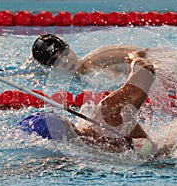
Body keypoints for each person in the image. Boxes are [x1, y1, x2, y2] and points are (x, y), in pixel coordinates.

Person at [20, 34, 157, 158]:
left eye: (65, 53)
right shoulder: (106, 113)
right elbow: (145, 72)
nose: (65, 61)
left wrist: (136, 56)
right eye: (56, 61)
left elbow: (143, 53)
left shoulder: (96, 61)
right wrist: (138, 61)